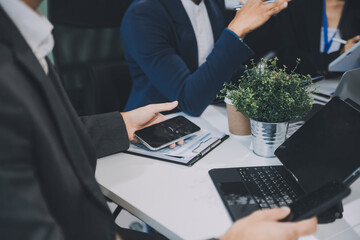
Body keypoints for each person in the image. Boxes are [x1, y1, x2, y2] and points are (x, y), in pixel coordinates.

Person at [0, 0, 317, 239]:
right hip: (155, 151)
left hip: (189, 128)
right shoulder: (145, 13)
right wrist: (236, 31)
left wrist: (120, 123)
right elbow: (189, 97)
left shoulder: (28, 35)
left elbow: (45, 131)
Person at [121, 0, 291, 117]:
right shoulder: (144, 14)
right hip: (157, 128)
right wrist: (237, 29)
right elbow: (188, 101)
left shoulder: (211, 4)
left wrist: (263, 82)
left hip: (206, 118)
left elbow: (219, 68)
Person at [276, 0, 360, 76]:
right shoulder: (296, 6)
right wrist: (339, 56)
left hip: (346, 85)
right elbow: (287, 57)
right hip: (305, 85)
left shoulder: (355, 8)